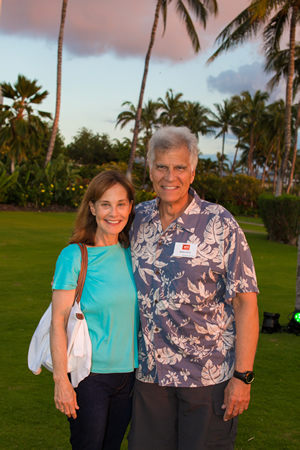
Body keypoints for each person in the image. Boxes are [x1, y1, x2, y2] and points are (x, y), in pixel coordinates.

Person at [128, 126, 259, 450]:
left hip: (208, 379)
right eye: (161, 166)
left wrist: (242, 377)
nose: (169, 176)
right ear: (150, 169)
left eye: (179, 167)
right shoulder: (136, 219)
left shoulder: (220, 223)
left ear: (193, 170)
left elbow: (246, 303)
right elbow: (99, 249)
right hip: (150, 376)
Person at [50, 170, 139, 450]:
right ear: (92, 207)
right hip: (89, 379)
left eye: (121, 204)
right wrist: (61, 380)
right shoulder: (74, 256)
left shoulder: (134, 254)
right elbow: (58, 322)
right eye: (105, 204)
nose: (114, 213)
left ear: (130, 207)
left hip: (130, 377)